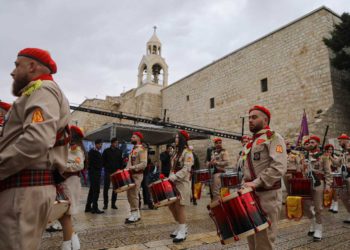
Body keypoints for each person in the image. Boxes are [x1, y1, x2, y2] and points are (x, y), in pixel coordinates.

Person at [0, 48, 70, 250]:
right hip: (21, 187)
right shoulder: (39, 90)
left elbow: (37, 140)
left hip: (23, 190)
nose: (12, 72)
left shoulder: (43, 89)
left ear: (32, 66)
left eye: (16, 65)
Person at [242, 105, 287, 250]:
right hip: (250, 195)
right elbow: (246, 169)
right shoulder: (250, 143)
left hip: (267, 195)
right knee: (252, 239)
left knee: (264, 241)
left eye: (254, 117)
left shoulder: (274, 137)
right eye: (249, 118)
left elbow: (279, 166)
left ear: (265, 120)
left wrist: (256, 183)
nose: (250, 120)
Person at [60, 125, 85, 250]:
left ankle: (67, 244)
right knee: (64, 214)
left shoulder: (76, 149)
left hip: (71, 182)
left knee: (65, 213)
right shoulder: (70, 147)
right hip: (67, 181)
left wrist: (62, 166)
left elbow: (79, 165)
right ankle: (73, 242)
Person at [302, 135, 332, 241]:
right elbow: (301, 170)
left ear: (318, 144)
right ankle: (313, 220)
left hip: (318, 183)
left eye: (313, 142)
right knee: (304, 205)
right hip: (306, 183)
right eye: (309, 142)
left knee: (318, 207)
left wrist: (328, 185)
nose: (310, 144)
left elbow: (328, 172)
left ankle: (319, 228)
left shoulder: (323, 156)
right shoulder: (305, 156)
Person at [168, 130, 194, 243]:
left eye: (178, 137)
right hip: (173, 181)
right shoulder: (176, 152)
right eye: (176, 137)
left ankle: (183, 231)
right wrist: (170, 176)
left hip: (182, 182)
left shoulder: (188, 152)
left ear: (183, 139)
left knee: (179, 206)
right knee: (171, 205)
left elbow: (186, 168)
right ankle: (180, 226)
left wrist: (175, 176)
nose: (175, 139)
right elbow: (172, 167)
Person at [125, 132, 147, 223]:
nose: (131, 138)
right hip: (131, 174)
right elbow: (130, 162)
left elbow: (144, 164)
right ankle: (136, 214)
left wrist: (132, 168)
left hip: (137, 175)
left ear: (138, 138)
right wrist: (125, 170)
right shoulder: (134, 149)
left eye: (133, 137)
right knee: (130, 194)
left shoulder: (142, 149)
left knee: (133, 194)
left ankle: (134, 214)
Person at [102, 137, 123, 210]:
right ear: (112, 143)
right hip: (108, 172)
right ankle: (105, 204)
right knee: (106, 188)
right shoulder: (106, 151)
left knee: (116, 189)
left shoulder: (119, 151)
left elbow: (121, 161)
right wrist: (106, 167)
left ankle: (113, 204)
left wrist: (119, 169)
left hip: (116, 172)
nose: (117, 144)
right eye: (116, 143)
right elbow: (103, 161)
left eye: (117, 143)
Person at [207, 138, 229, 202]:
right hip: (213, 173)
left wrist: (217, 163)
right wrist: (209, 163)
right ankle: (215, 207)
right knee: (213, 192)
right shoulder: (213, 152)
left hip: (220, 173)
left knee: (216, 192)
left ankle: (217, 207)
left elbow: (227, 163)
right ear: (215, 144)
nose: (218, 144)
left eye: (220, 143)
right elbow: (210, 161)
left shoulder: (224, 152)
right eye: (217, 143)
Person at [85, 139, 104, 214]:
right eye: (100, 144)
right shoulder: (93, 152)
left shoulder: (95, 152)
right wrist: (100, 165)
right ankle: (94, 208)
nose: (101, 146)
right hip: (94, 174)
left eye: (101, 145)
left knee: (92, 191)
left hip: (94, 174)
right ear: (96, 144)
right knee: (96, 191)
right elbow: (95, 164)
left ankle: (88, 207)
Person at [335, 134, 350, 223]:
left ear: (345, 140)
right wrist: (329, 156)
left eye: (340, 141)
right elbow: (337, 163)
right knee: (343, 196)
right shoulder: (343, 152)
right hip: (344, 177)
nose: (339, 142)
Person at [324, 144, 339, 213]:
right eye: (329, 149)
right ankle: (332, 203)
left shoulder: (334, 156)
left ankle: (336, 204)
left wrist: (330, 157)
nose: (330, 151)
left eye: (331, 149)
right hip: (327, 176)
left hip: (334, 175)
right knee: (330, 191)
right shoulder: (324, 157)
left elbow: (336, 164)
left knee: (334, 190)